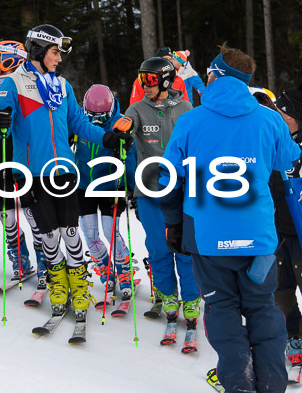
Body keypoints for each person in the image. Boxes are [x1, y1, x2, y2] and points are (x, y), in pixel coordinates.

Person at [159, 44, 300, 393]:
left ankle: (237, 384)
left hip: (209, 237)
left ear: (214, 75)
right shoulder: (269, 119)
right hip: (259, 238)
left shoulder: (190, 120)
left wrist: (174, 224)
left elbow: (167, 179)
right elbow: (291, 162)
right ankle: (271, 386)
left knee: (221, 308)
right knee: (263, 310)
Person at [0, 24, 132, 320]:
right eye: (55, 52)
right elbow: (0, 129)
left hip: (65, 171)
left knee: (71, 232)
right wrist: (0, 122)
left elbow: (79, 125)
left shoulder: (63, 86)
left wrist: (106, 137)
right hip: (31, 173)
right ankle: (58, 285)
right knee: (49, 235)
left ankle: (79, 285)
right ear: (40, 51)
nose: (59, 58)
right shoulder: (13, 83)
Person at [121, 57, 199, 323]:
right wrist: (119, 134)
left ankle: (190, 297)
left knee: (185, 247)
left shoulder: (186, 108)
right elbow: (125, 126)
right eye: (142, 80)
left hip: (182, 191)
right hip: (150, 191)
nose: (146, 85)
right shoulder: (138, 108)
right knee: (158, 247)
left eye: (151, 80)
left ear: (166, 80)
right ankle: (167, 294)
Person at [0, 40, 46, 283]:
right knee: (5, 213)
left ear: (9, 60)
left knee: (32, 212)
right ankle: (20, 258)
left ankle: (44, 260)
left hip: (20, 154)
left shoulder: (27, 85)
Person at [74, 84, 136, 298]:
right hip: (83, 186)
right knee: (90, 233)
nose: (96, 121)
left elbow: (130, 157)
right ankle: (105, 269)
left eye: (101, 117)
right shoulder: (80, 123)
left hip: (110, 185)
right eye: (92, 116)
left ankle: (124, 271)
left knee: (111, 231)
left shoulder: (121, 123)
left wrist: (131, 187)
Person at [269, 85, 302, 372]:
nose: (277, 115)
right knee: (281, 291)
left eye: (283, 112)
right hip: (279, 230)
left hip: (300, 231)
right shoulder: (274, 141)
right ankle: (294, 337)